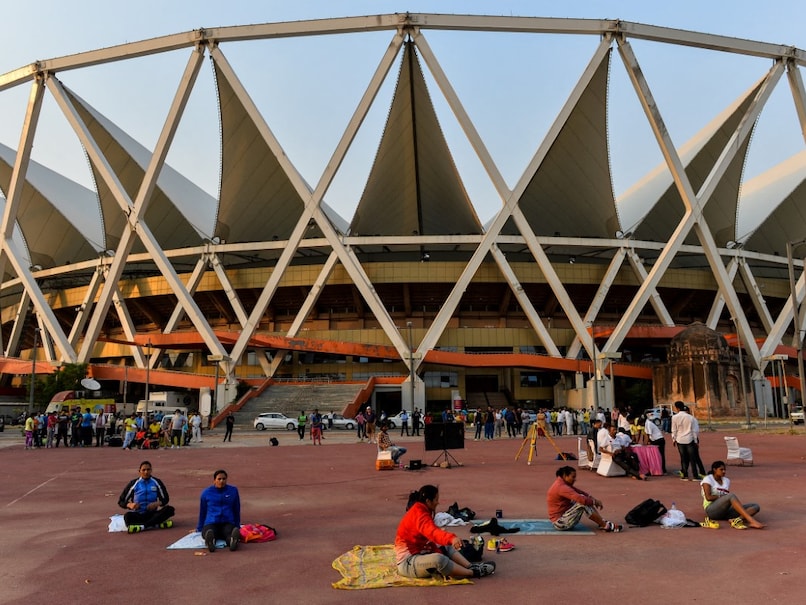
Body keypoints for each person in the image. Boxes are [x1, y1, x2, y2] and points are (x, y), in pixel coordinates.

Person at [395, 484, 495, 579]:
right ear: (428, 501)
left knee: (444, 546)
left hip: (419, 552)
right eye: (436, 499)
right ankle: (473, 573)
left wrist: (446, 542)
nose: (437, 502)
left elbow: (431, 536)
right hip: (407, 562)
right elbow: (433, 533)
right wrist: (451, 538)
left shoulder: (422, 510)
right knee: (439, 560)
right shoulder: (420, 515)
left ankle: (470, 566)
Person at [547, 466, 623, 532]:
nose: (575, 479)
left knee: (585, 499)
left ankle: (602, 523)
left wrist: (592, 498)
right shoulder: (561, 487)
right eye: (573, 477)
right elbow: (581, 499)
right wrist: (594, 502)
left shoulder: (562, 483)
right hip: (560, 523)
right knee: (583, 503)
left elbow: (579, 492)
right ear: (565, 476)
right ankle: (605, 525)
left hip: (564, 517)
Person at [700, 460, 764, 529]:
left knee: (755, 506)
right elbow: (708, 497)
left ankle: (736, 520)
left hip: (726, 511)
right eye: (721, 469)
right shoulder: (708, 479)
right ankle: (751, 521)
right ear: (714, 470)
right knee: (731, 495)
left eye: (725, 470)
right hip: (712, 510)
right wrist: (722, 497)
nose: (724, 471)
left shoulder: (726, 480)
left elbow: (726, 498)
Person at [118, 460, 175, 533]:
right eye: (143, 470)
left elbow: (165, 499)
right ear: (139, 471)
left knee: (170, 510)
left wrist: (156, 504)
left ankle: (143, 526)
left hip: (152, 514)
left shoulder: (157, 482)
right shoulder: (133, 484)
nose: (146, 472)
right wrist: (130, 505)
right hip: (138, 514)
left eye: (148, 469)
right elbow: (121, 501)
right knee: (127, 516)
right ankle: (155, 523)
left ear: (151, 470)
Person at [197, 469, 241, 552]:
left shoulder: (233, 491)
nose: (221, 481)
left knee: (229, 533)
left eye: (224, 479)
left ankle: (232, 542)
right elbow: (202, 511)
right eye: (219, 479)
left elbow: (236, 508)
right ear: (214, 480)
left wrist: (237, 525)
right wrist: (199, 527)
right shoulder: (206, 493)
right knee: (209, 532)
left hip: (227, 522)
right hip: (212, 522)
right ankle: (211, 541)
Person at [671, 401, 704, 481]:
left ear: (677, 408)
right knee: (692, 458)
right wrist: (696, 441)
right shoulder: (691, 418)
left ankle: (685, 475)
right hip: (690, 439)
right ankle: (695, 475)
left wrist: (674, 439)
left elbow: (674, 429)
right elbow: (695, 431)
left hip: (680, 439)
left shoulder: (674, 417)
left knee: (683, 458)